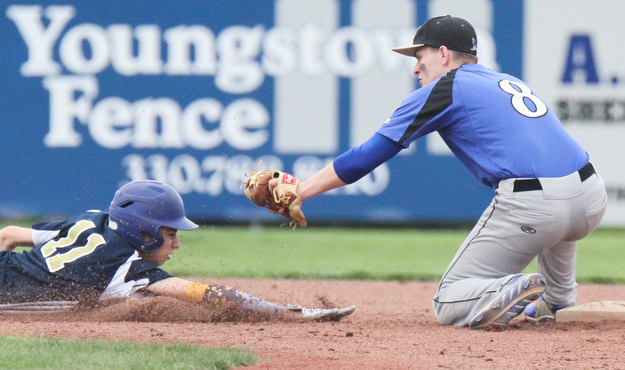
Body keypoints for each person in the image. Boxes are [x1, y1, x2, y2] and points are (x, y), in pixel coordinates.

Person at [267, 15, 607, 329]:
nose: (416, 67)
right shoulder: (504, 80)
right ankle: (558, 300)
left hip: (538, 206)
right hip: (590, 198)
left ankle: (509, 285)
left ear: (443, 53)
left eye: (420, 56)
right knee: (557, 250)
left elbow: (366, 157)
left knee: (448, 301)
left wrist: (302, 189)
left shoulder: (446, 87)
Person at [0, 180, 355, 321]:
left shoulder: (92, 219)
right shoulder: (127, 266)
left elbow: (8, 235)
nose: (176, 243)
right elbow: (204, 294)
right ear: (143, 232)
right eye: (168, 233)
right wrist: (290, 314)